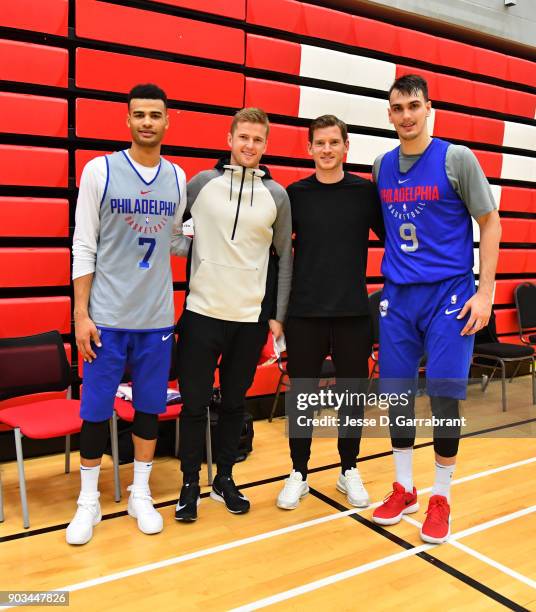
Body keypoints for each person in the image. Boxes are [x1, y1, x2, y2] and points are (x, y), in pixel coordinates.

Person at [371, 74, 501, 543]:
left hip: (449, 294)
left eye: (413, 106)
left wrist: (484, 293)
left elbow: (490, 223)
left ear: (429, 109)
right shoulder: (380, 166)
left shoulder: (456, 159)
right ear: (389, 114)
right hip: (399, 297)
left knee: (445, 397)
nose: (406, 115)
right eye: (397, 108)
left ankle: (441, 496)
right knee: (398, 397)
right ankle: (404, 487)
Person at [67, 83, 189, 545]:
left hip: (156, 318)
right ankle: (89, 501)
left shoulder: (177, 177)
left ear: (166, 121)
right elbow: (84, 245)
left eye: (155, 115)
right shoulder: (100, 170)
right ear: (128, 120)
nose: (146, 122)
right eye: (139, 114)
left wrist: (213, 236)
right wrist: (81, 313)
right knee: (96, 412)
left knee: (148, 410)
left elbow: (174, 241)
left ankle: (140, 492)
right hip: (106, 319)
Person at [174, 107, 292, 521]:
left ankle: (224, 478)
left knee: (234, 405)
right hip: (201, 313)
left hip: (248, 320)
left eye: (258, 140)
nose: (249, 145)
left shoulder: (277, 195)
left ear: (265, 145)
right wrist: (199, 255)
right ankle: (189, 483)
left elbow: (284, 257)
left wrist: (276, 315)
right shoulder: (201, 184)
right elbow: (173, 232)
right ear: (229, 139)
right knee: (192, 405)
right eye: (243, 137)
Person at [276, 115, 384, 510]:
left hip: (353, 312)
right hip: (304, 312)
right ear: (309, 148)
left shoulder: (364, 193)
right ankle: (299, 473)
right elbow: (278, 255)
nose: (326, 150)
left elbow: (396, 239)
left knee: (352, 397)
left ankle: (348, 468)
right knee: (301, 396)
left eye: (333, 143)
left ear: (345, 147)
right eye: (319, 143)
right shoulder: (294, 194)